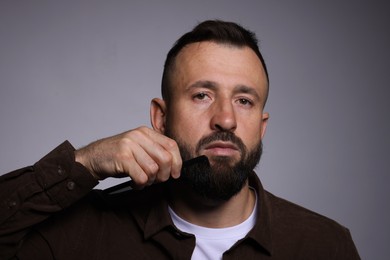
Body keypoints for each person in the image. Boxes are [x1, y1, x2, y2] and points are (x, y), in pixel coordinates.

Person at [0, 20, 360, 259]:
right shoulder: (81, 235)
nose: (226, 119)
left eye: (244, 101)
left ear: (261, 127)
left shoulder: (326, 245)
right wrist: (84, 163)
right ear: (160, 117)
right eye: (202, 95)